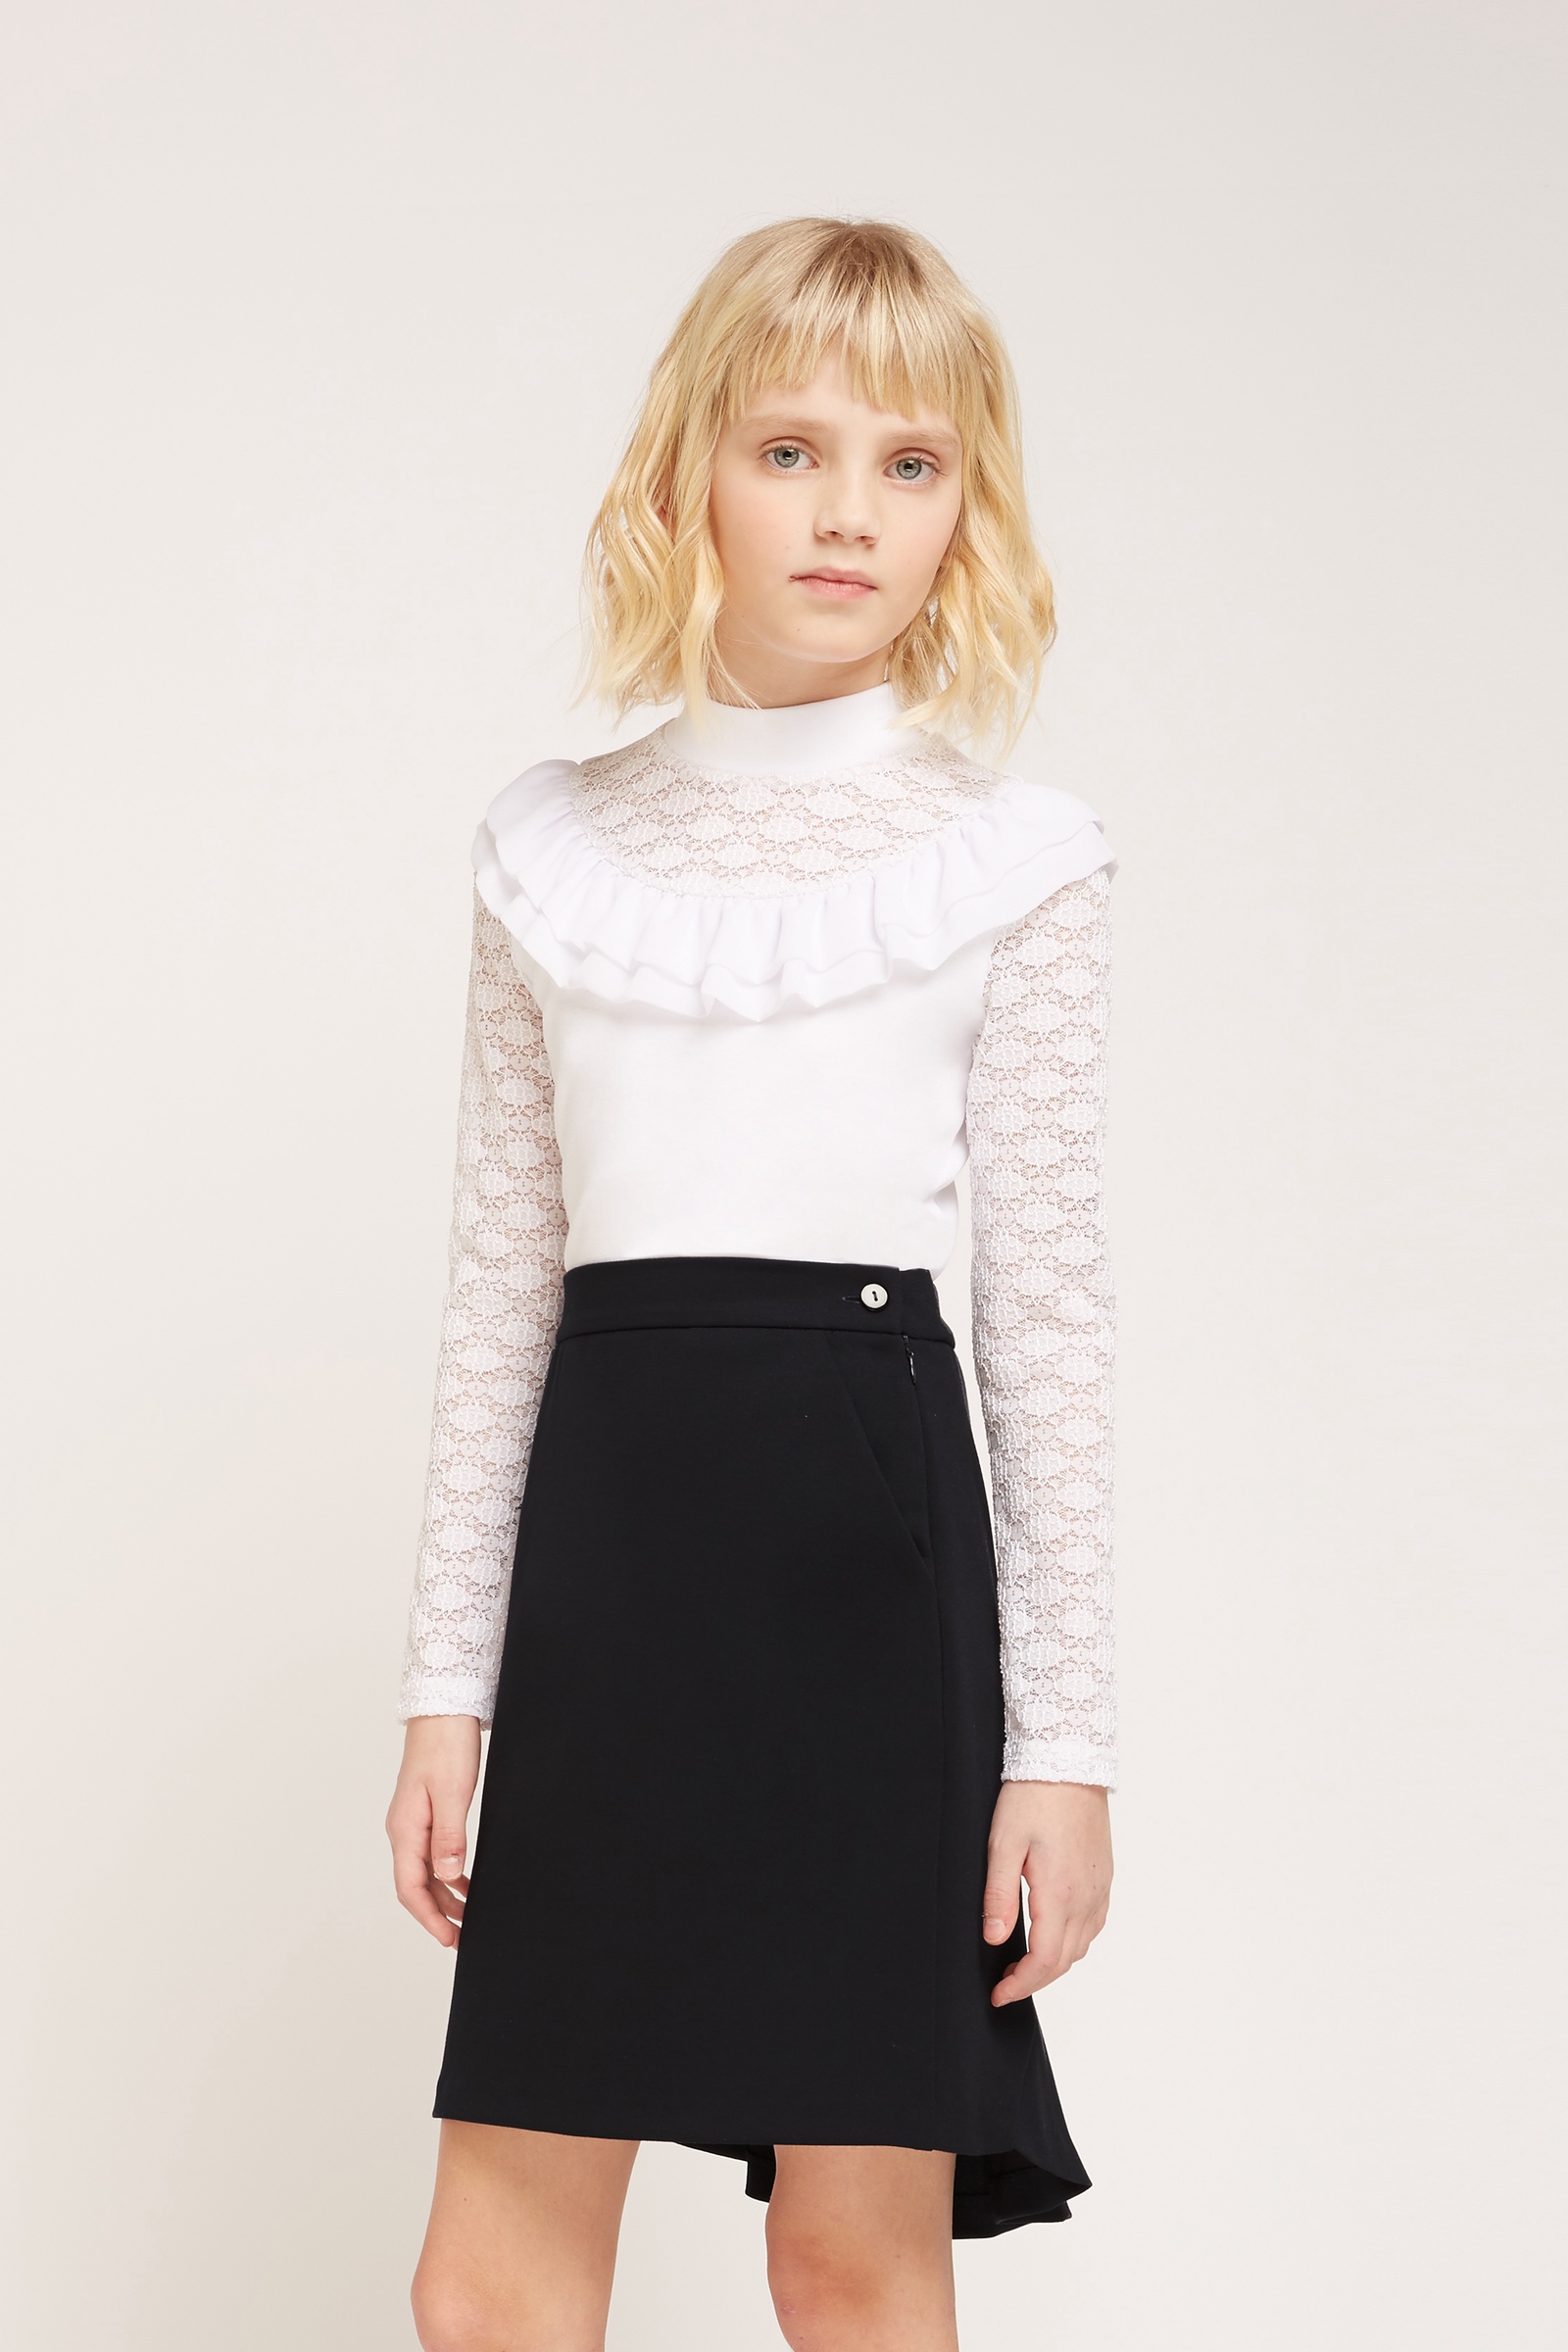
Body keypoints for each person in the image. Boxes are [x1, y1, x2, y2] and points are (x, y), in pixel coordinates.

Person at [386, 215, 1117, 2352]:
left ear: (964, 507)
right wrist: (446, 1693)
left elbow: (1052, 1325)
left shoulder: (1016, 861)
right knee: (488, 2280)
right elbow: (499, 1290)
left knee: (848, 2261)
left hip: (869, 1584)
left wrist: (1064, 1747)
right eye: (791, 450)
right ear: (687, 474)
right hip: (607, 1570)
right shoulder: (546, 849)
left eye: (910, 463)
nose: (847, 512)